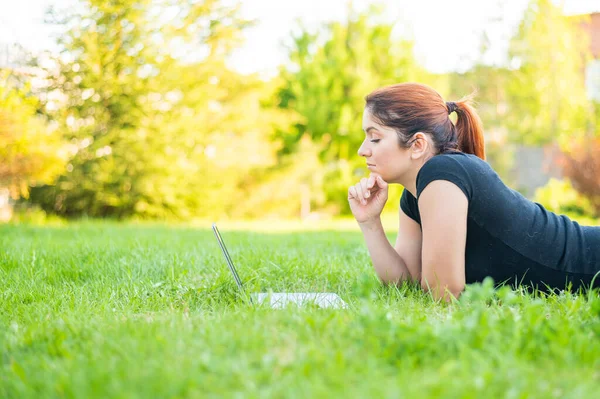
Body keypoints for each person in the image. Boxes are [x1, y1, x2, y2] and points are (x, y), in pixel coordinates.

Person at [348, 82, 600, 302]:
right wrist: (370, 223)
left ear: (417, 145)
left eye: (375, 138)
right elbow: (405, 285)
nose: (362, 150)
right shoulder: (415, 194)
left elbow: (442, 292)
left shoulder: (443, 173)